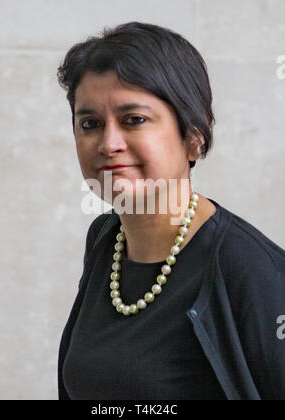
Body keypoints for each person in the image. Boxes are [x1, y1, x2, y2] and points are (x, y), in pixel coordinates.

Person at [56, 21, 285, 400]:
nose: (108, 143)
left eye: (134, 120)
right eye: (90, 124)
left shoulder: (254, 271)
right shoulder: (106, 239)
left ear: (193, 139)